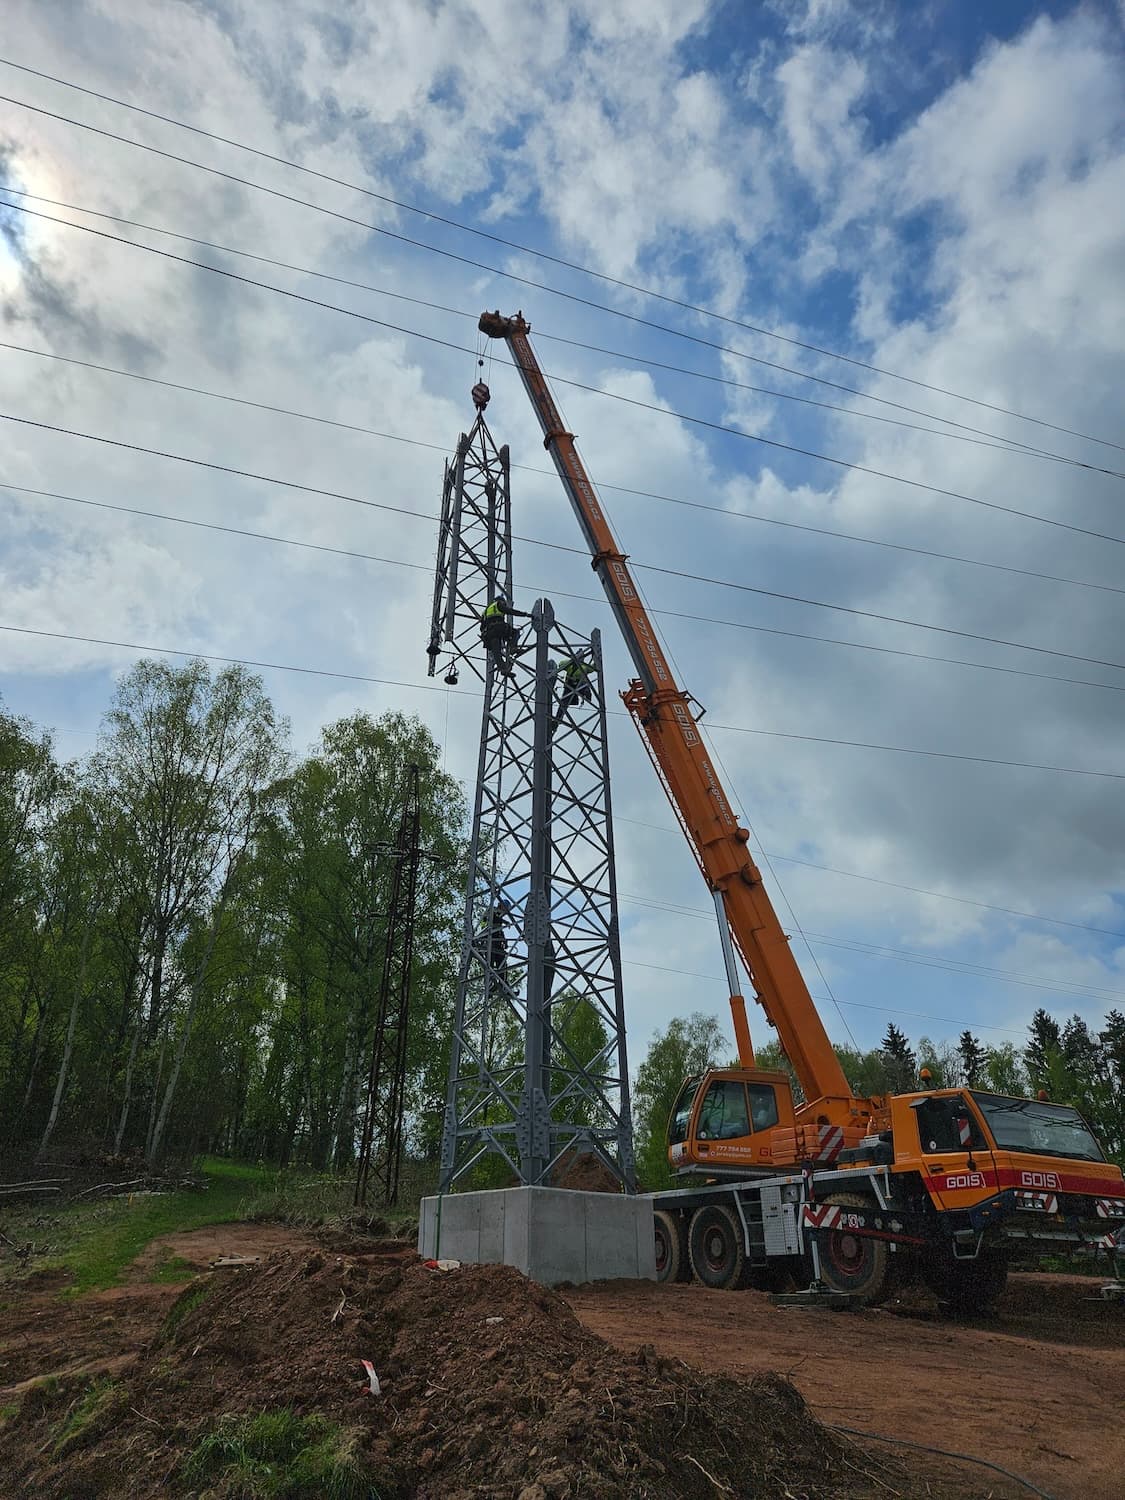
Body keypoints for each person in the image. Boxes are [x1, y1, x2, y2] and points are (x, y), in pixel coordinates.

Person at [554, 653, 594, 725]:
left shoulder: (584, 667)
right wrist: (571, 661)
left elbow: (593, 667)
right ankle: (557, 720)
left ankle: (588, 696)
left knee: (585, 688)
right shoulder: (570, 665)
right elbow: (561, 664)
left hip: (579, 686)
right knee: (563, 704)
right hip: (569, 686)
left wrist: (595, 659)